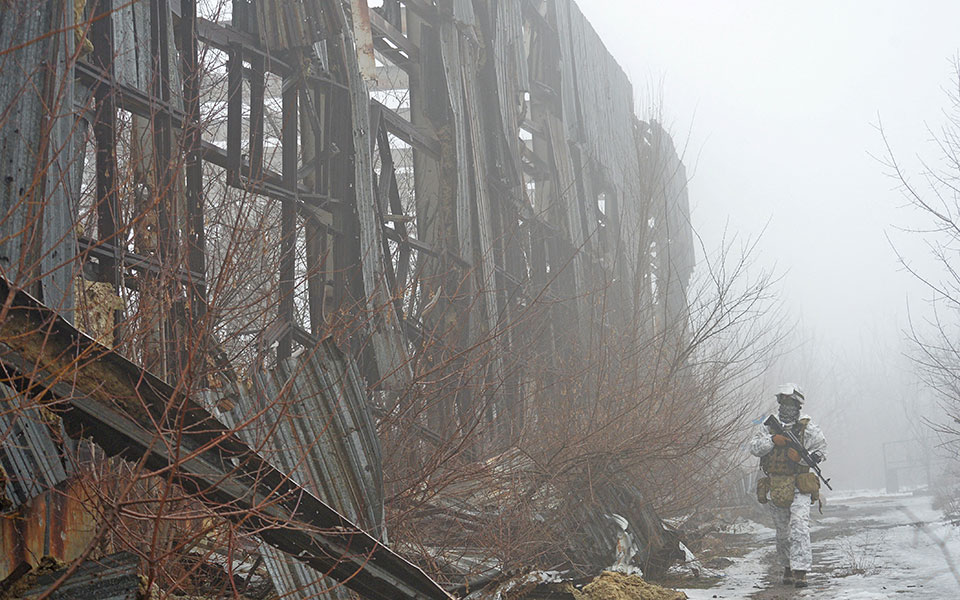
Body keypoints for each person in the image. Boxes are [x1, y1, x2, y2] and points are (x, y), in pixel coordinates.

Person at [750, 383, 827, 588]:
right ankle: (787, 567)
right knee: (782, 532)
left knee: (800, 527)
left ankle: (801, 571)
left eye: (791, 403)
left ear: (798, 405)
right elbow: (754, 448)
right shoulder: (767, 426)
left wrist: (803, 459)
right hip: (776, 484)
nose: (787, 407)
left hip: (799, 485)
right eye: (783, 402)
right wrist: (773, 440)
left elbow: (821, 451)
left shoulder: (807, 428)